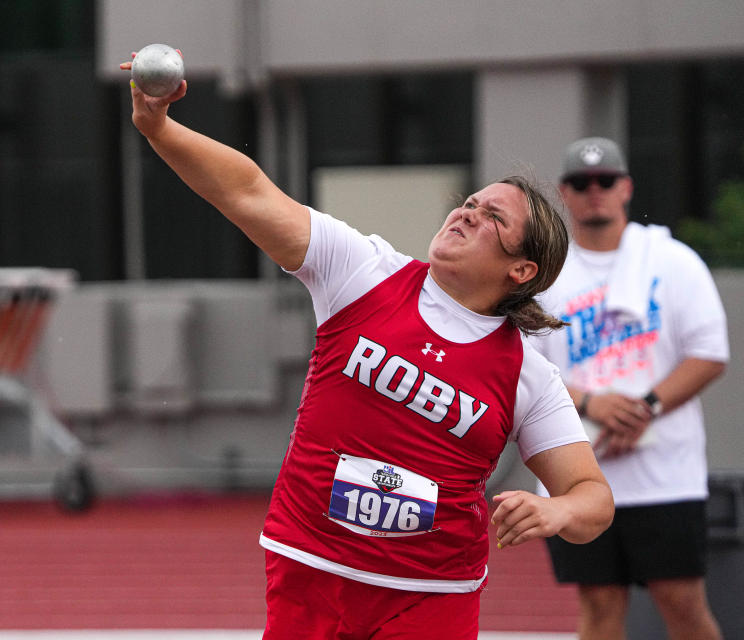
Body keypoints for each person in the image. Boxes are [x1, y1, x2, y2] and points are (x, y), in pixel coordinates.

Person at [120, 56, 614, 640]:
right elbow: (248, 190)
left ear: (522, 268)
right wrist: (160, 129)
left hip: (430, 595)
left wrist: (557, 511)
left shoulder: (526, 374)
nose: (466, 213)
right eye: (470, 203)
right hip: (312, 570)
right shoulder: (363, 270)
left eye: (491, 219)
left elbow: (592, 498)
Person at [532, 136, 729, 640]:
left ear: (626, 188)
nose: (593, 191)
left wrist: (645, 407)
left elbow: (709, 352)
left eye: (605, 181)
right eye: (581, 182)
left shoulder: (674, 261)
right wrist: (593, 404)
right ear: (564, 193)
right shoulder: (547, 274)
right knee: (598, 607)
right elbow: (523, 364)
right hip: (580, 472)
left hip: (666, 473)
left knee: (682, 602)